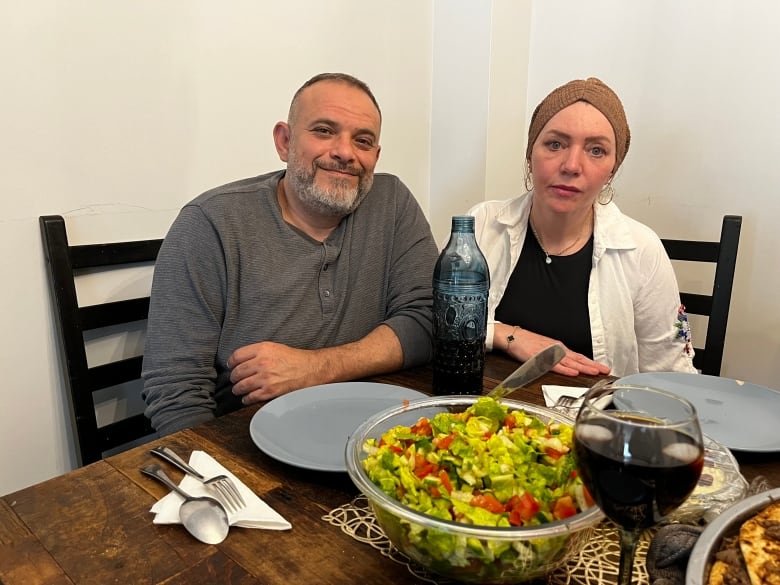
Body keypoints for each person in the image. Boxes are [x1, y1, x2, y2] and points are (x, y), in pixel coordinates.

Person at [142, 72, 439, 435]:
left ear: (375, 156)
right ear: (284, 142)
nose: (345, 153)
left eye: (362, 140)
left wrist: (313, 368)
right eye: (324, 131)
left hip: (374, 433)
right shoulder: (209, 224)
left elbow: (428, 322)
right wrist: (218, 477)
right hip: (245, 446)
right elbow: (176, 391)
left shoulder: (392, 203)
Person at [468, 77, 696, 378]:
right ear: (530, 154)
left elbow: (671, 377)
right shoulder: (482, 224)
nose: (572, 165)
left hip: (596, 421)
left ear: (612, 170)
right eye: (555, 144)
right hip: (483, 415)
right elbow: (439, 322)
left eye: (596, 151)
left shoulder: (643, 251)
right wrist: (509, 336)